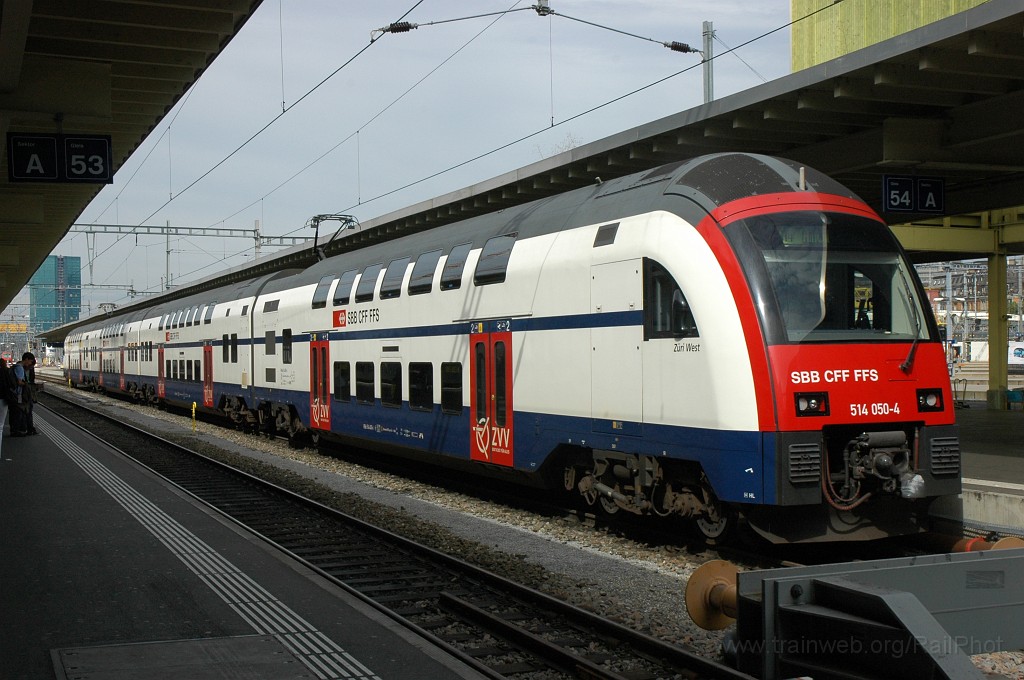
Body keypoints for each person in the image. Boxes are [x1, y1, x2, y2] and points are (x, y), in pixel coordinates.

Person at [11, 352, 37, 436]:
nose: (30, 364)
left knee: (18, 412)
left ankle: (17, 430)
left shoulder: (17, 366)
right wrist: (26, 385)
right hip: (18, 393)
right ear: (26, 359)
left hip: (15, 393)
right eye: (30, 361)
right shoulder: (20, 368)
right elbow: (19, 382)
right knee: (19, 412)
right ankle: (17, 430)